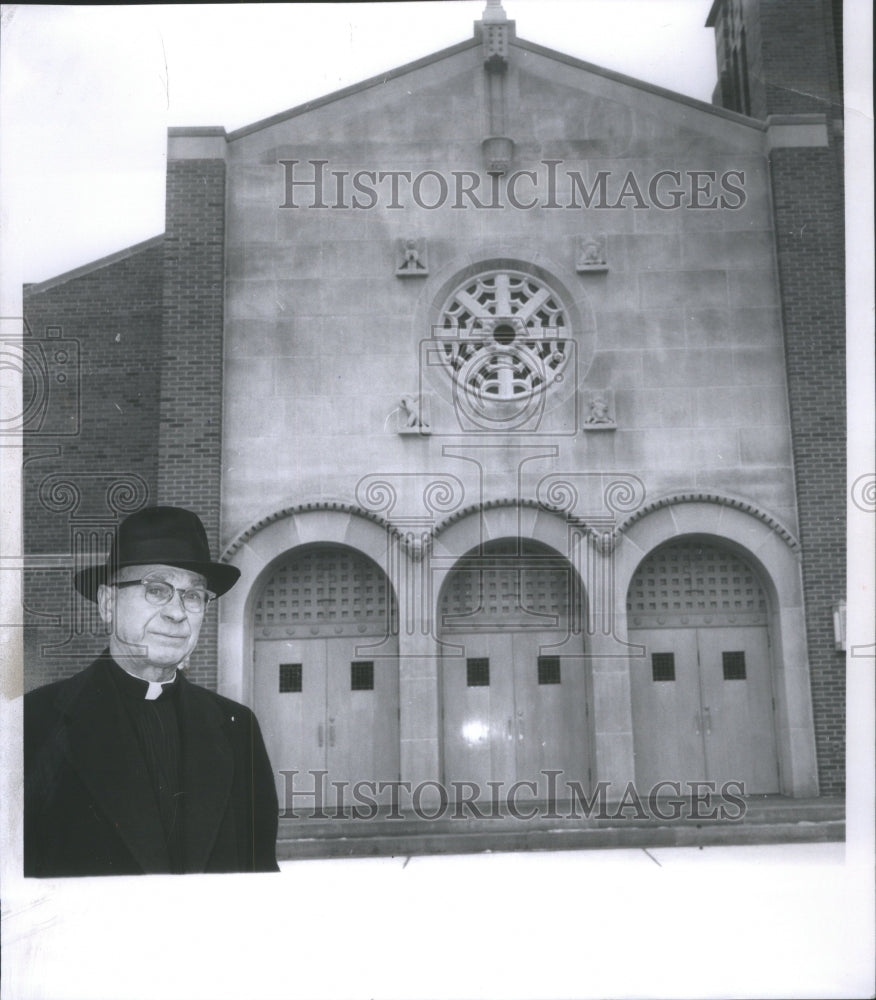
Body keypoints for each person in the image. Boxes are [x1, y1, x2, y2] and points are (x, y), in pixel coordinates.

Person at [24, 505, 279, 877]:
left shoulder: (238, 728)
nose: (177, 613)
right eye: (157, 590)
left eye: (193, 596)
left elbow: (260, 879)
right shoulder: (32, 723)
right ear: (108, 604)